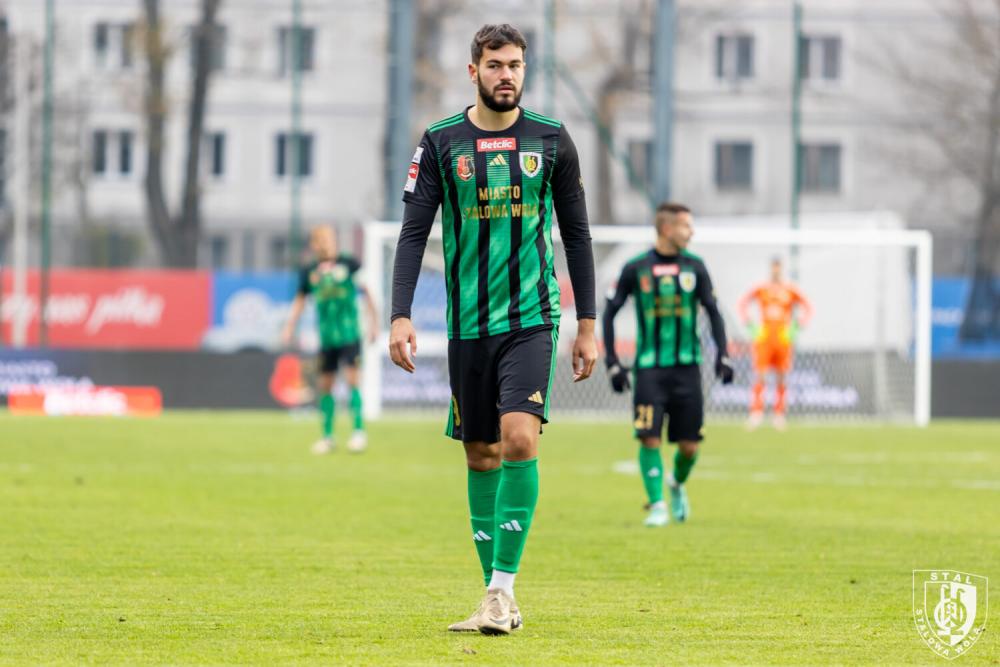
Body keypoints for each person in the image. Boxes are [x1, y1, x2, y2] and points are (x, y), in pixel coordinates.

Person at [388, 24, 597, 635]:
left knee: (519, 439)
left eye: (515, 65)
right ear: (473, 71)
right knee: (480, 454)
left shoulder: (551, 140)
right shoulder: (440, 142)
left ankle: (502, 591)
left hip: (532, 318)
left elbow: (577, 236)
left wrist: (587, 324)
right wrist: (400, 313)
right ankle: (494, 597)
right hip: (468, 324)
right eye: (495, 65)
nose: (506, 75)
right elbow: (413, 233)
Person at [602, 203, 733, 528]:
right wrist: (612, 362)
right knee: (648, 436)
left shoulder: (696, 267)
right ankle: (657, 505)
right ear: (667, 228)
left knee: (689, 446)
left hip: (688, 368)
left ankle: (675, 483)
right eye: (686, 226)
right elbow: (609, 312)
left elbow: (714, 312)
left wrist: (723, 354)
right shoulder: (636, 268)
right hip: (649, 369)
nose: (692, 232)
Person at [282, 226, 378, 454]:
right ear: (314, 245)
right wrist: (290, 326)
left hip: (350, 333)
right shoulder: (310, 271)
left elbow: (367, 292)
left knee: (353, 380)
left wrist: (373, 323)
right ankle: (327, 437)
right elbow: (300, 300)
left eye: (329, 239)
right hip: (326, 337)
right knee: (325, 385)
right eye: (321, 240)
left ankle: (358, 432)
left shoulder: (349, 263)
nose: (326, 243)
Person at [737, 257, 813, 430]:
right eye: (774, 268)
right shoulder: (761, 288)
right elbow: (742, 303)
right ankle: (756, 413)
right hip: (764, 338)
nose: (776, 271)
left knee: (782, 376)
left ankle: (779, 414)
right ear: (770, 269)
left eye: (778, 268)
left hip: (782, 338)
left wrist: (796, 327)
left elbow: (808, 307)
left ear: (782, 269)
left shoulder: (790, 289)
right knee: (760, 375)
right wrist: (750, 325)